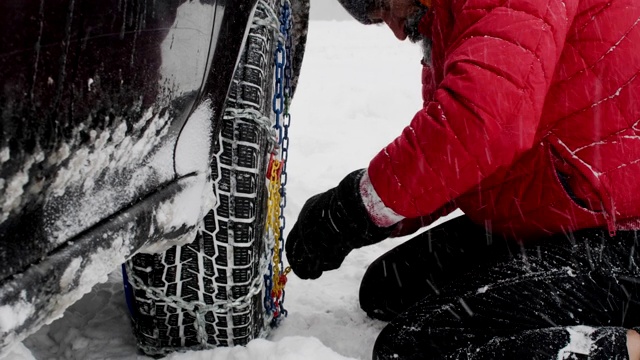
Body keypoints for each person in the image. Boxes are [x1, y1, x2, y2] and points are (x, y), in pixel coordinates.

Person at [285, 0, 640, 358]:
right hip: (550, 215)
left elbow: (479, 125)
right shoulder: (446, 19)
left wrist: (358, 206)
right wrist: (370, 218)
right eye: (378, 22)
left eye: (385, 6)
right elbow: (466, 162)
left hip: (619, 232)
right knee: (387, 289)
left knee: (413, 348)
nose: (396, 31)